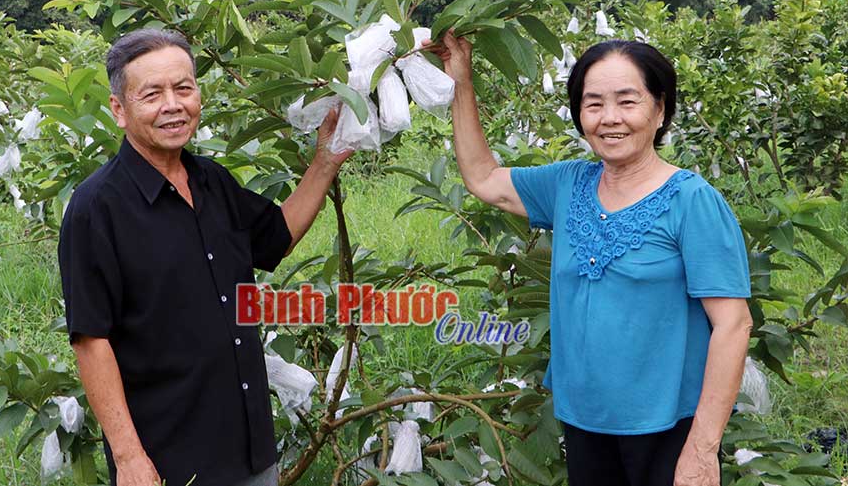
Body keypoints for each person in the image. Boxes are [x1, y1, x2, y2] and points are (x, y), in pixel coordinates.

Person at [427, 31, 753, 486]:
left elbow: (733, 325)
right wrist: (461, 79)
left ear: (660, 110)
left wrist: (702, 448)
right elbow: (483, 178)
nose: (610, 119)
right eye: (594, 103)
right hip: (584, 420)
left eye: (627, 101)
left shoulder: (692, 201)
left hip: (667, 428)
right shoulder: (568, 184)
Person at [57, 27, 351, 486]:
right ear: (119, 109)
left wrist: (324, 163)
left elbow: (275, 237)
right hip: (170, 459)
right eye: (151, 94)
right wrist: (130, 459)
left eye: (184, 88)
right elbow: (91, 341)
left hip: (250, 447)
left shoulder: (213, 182)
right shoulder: (96, 208)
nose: (172, 105)